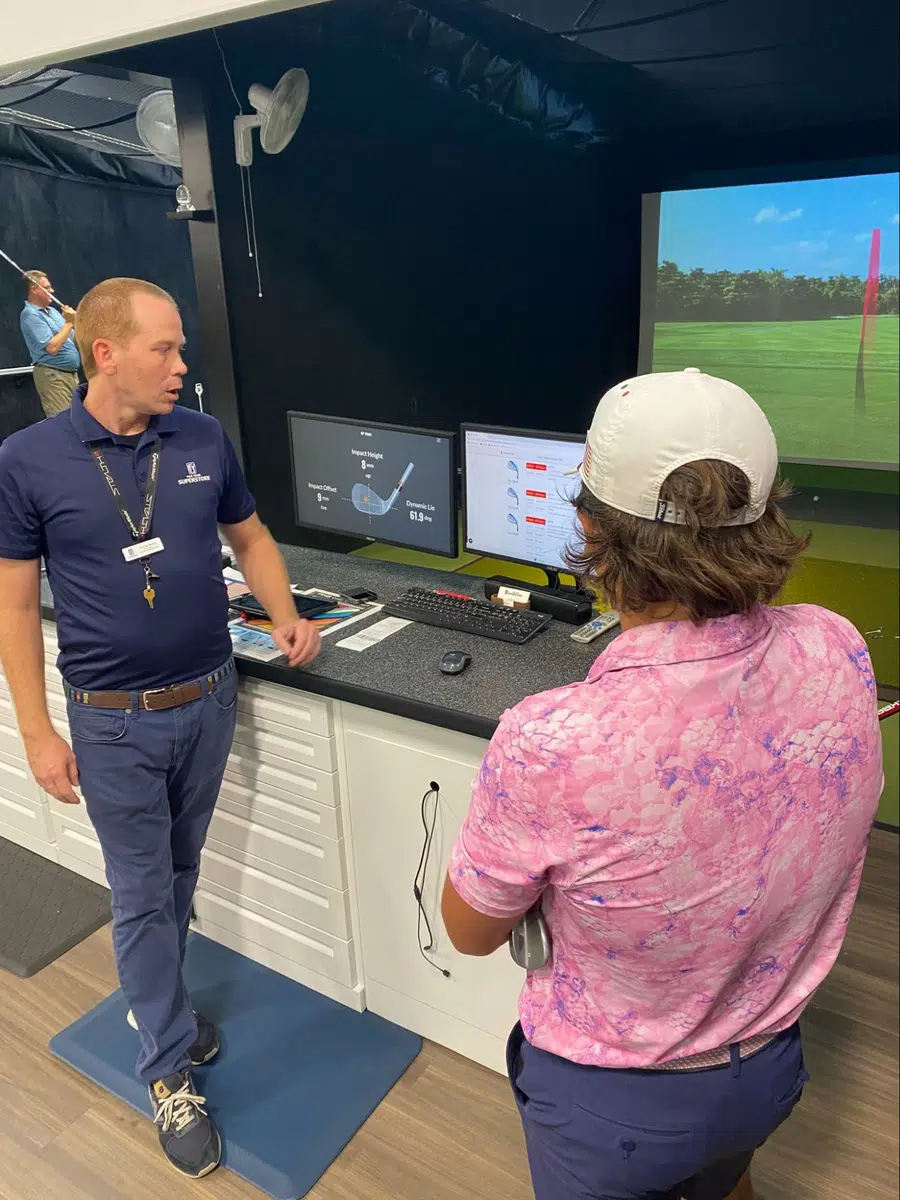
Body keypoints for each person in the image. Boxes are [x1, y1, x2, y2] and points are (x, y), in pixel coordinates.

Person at [441, 368, 883, 1200]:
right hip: (771, 1070)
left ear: (588, 528)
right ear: (763, 518)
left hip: (615, 1110)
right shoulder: (836, 645)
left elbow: (468, 931)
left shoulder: (551, 738)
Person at [0, 277, 320, 1180]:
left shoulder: (202, 439)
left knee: (178, 876)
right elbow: (15, 606)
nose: (182, 367)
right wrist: (35, 730)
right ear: (105, 355)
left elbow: (251, 537)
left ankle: (162, 1008)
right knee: (141, 893)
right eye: (165, 350)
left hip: (209, 701)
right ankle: (167, 1069)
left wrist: (285, 612)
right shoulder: (28, 459)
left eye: (180, 350)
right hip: (111, 725)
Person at [19, 269, 81, 416]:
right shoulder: (30, 315)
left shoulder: (53, 312)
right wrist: (69, 323)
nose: (52, 290)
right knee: (63, 422)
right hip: (53, 376)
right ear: (34, 289)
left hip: (71, 375)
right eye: (47, 288)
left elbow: (72, 338)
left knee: (78, 418)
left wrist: (79, 323)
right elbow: (52, 347)